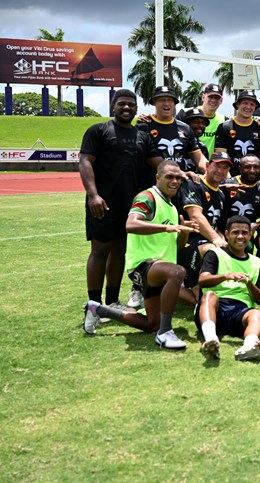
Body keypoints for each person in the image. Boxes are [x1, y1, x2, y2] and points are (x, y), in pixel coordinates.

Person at [82, 160, 199, 350]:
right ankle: (166, 332)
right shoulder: (147, 197)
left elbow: (176, 246)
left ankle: (98, 309)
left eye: (178, 178)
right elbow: (131, 225)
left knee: (151, 324)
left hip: (160, 270)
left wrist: (183, 232)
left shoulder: (171, 206)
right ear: (158, 177)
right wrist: (168, 227)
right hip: (143, 265)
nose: (175, 181)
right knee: (177, 272)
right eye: (170, 177)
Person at [79, 89, 162, 310]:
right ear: (113, 106)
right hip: (103, 204)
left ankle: (112, 301)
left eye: (131, 105)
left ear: (136, 108)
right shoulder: (98, 131)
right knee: (99, 250)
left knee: (119, 250)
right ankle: (94, 304)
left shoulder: (142, 136)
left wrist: (184, 174)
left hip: (131, 207)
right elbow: (85, 161)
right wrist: (93, 195)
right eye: (122, 104)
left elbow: (160, 165)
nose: (126, 108)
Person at [196, 215, 260, 360]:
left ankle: (249, 347)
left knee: (258, 314)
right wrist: (226, 276)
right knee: (209, 296)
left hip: (240, 310)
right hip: (215, 307)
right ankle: (211, 339)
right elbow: (202, 280)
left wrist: (248, 283)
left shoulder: (257, 262)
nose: (240, 236)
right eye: (235, 232)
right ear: (226, 234)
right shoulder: (215, 254)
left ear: (250, 235)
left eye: (245, 233)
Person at [167, 151, 232, 309]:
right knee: (214, 250)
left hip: (202, 243)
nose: (220, 170)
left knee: (201, 301)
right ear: (208, 166)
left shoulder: (221, 195)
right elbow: (196, 216)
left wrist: (223, 239)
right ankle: (159, 286)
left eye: (224, 168)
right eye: (217, 166)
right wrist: (216, 239)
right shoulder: (193, 183)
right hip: (184, 242)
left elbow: (216, 225)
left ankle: (186, 287)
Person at [136, 85, 205, 183]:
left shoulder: (185, 128)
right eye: (162, 100)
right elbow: (149, 157)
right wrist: (179, 173)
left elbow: (199, 158)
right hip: (152, 186)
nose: (166, 103)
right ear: (154, 103)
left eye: (170, 100)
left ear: (174, 103)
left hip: (179, 185)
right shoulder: (144, 126)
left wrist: (212, 173)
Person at [220, 154, 260, 274]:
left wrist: (255, 225)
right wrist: (222, 188)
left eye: (255, 167)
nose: (252, 171)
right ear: (240, 168)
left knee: (246, 253)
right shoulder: (228, 184)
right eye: (248, 167)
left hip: (245, 232)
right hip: (223, 231)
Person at [214, 90, 260, 180]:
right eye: (245, 103)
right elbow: (220, 157)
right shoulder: (225, 127)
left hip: (254, 180)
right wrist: (232, 181)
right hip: (230, 179)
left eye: (252, 104)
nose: (248, 107)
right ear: (237, 105)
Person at [176, 83, 225, 155]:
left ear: (221, 100)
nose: (213, 100)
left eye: (217, 98)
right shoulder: (185, 113)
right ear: (203, 97)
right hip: (187, 162)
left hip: (209, 164)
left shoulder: (223, 121)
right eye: (210, 97)